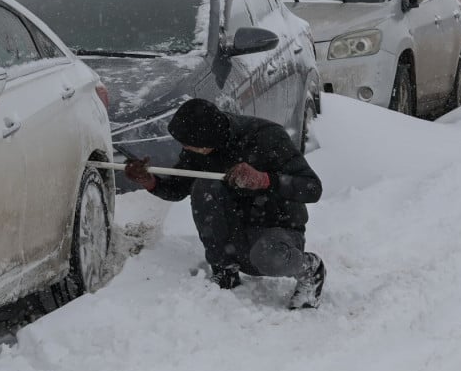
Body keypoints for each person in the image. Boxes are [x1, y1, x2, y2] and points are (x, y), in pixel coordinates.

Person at [124, 98, 326, 309]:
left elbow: (312, 188)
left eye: (189, 144)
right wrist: (149, 181)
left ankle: (310, 269)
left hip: (276, 228)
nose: (185, 148)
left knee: (268, 257)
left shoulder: (267, 137)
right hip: (235, 233)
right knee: (204, 186)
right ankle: (224, 269)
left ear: (208, 140)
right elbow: (178, 188)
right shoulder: (199, 148)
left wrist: (265, 180)